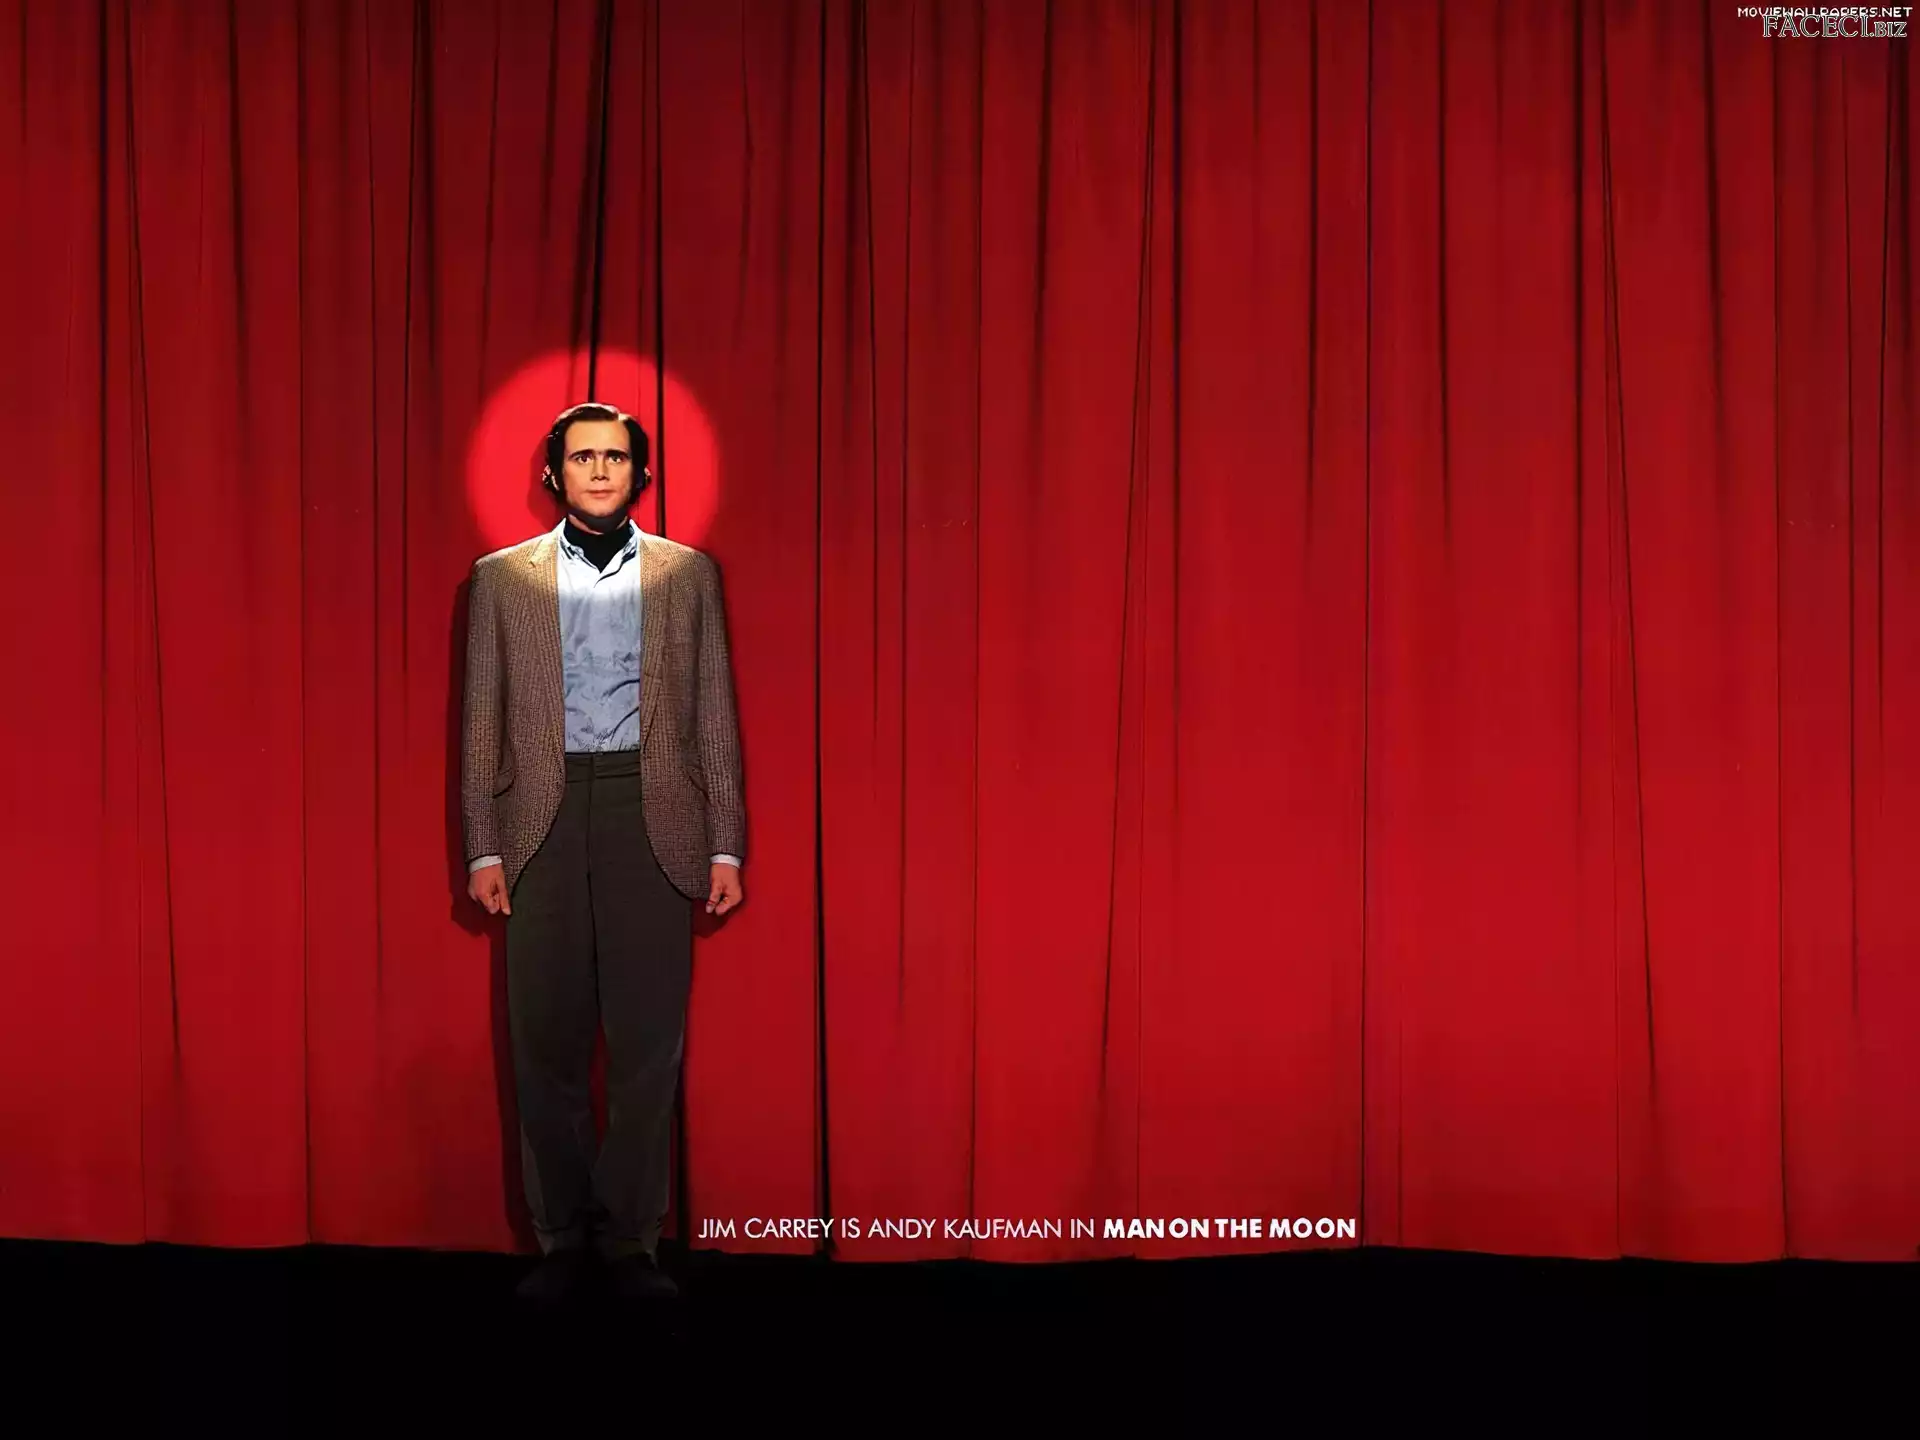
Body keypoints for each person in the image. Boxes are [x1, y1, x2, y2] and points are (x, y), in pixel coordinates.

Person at [459, 400, 746, 1308]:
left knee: (647, 1045)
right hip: (538, 818)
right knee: (544, 1042)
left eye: (614, 457)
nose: (597, 470)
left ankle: (631, 1242)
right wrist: (482, 847)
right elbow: (480, 723)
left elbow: (715, 714)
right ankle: (561, 1241)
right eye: (581, 456)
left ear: (639, 473)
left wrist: (727, 842)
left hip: (651, 810)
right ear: (554, 473)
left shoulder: (686, 574)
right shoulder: (501, 580)